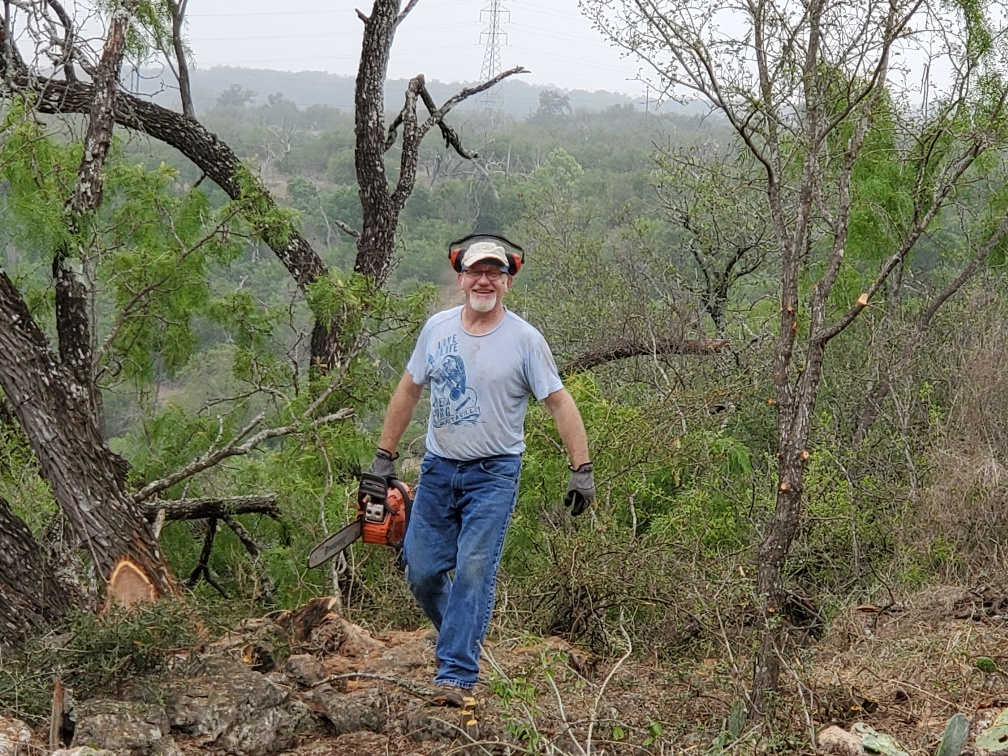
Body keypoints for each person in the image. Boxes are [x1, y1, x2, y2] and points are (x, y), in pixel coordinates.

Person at [368, 232, 595, 707]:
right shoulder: (437, 329)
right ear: (460, 276)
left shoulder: (526, 340)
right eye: (477, 271)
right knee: (423, 572)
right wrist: (384, 456)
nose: (485, 280)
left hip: (494, 473)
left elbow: (559, 402)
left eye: (495, 272)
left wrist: (582, 466)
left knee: (474, 569)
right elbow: (409, 390)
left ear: (508, 281)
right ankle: (462, 638)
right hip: (437, 469)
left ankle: (456, 674)